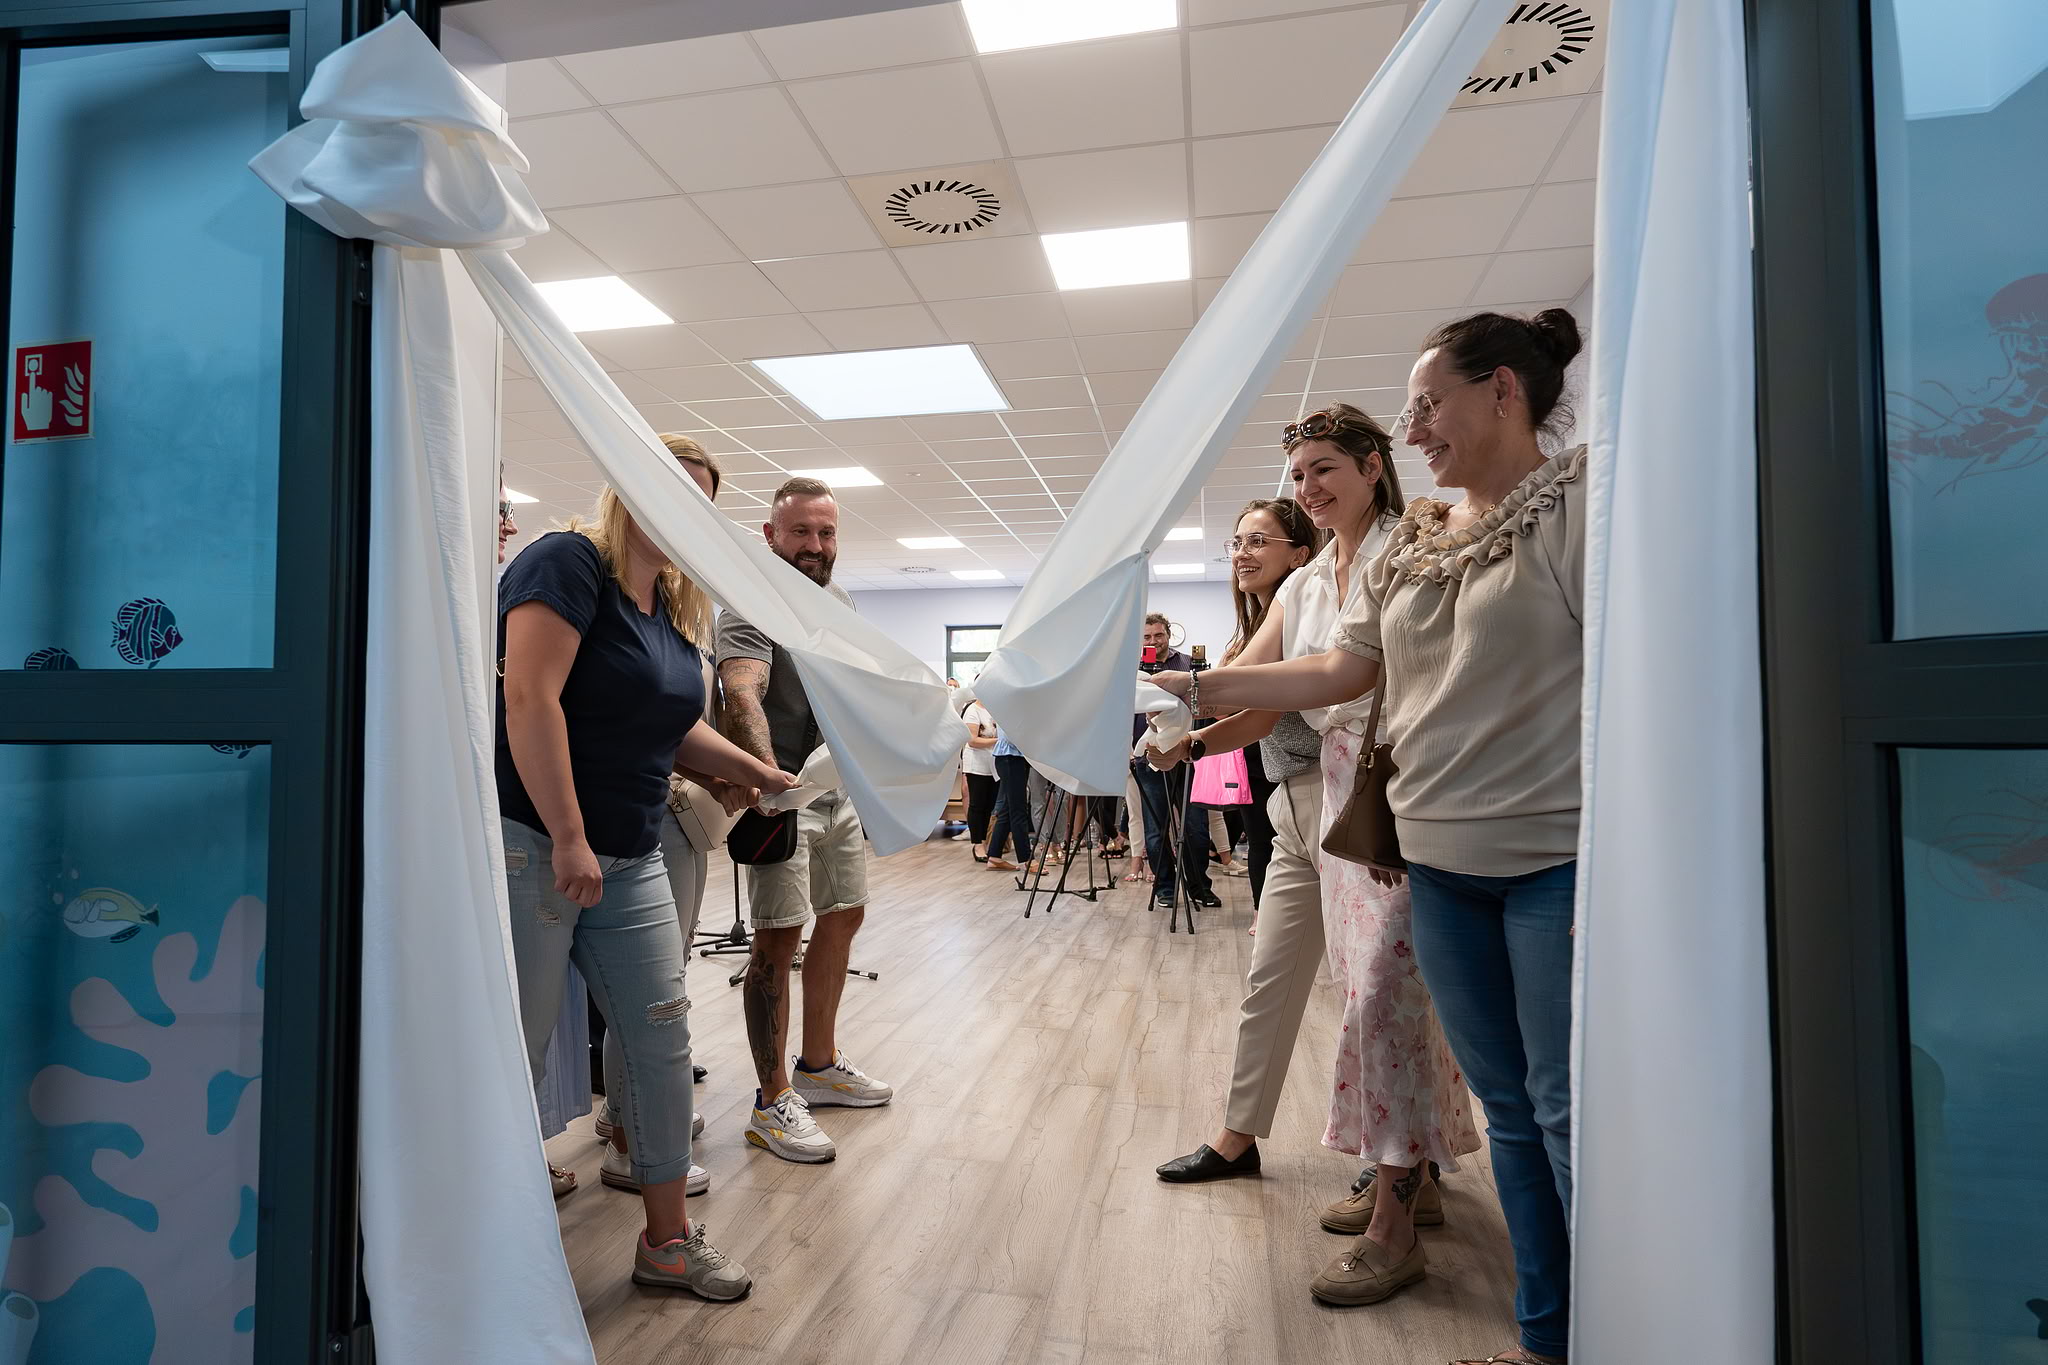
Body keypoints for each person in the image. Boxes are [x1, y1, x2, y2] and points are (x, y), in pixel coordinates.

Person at [1151, 311, 1587, 1365]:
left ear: (1502, 391)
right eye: (1295, 474)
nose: (1415, 425)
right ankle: (1543, 1333)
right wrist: (1188, 692)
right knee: (1509, 1107)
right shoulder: (1416, 545)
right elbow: (1334, 671)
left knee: (1558, 1104)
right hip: (1422, 845)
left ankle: (1596, 1315)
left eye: (1428, 404)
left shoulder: (1577, 508)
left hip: (1539, 850)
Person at [1153, 418, 1480, 1311]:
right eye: (1298, 474)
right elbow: (1258, 688)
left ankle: (1395, 1222)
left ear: (1374, 467)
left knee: (1383, 994)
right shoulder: (1304, 581)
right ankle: (1410, 1177)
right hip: (1339, 790)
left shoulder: (1409, 546)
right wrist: (1183, 722)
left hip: (1399, 782)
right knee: (1373, 992)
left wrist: (1190, 688)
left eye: (1324, 468)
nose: (1308, 487)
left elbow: (1338, 675)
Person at [498, 444, 795, 1301]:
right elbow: (530, 697)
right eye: (667, 489)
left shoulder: (667, 608)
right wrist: (567, 834)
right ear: (625, 487)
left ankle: (667, 1240)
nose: (679, 511)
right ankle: (489, 1236)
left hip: (631, 855)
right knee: (517, 1045)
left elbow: (670, 726)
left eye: (700, 502)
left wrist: (754, 769)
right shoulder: (567, 564)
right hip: (539, 846)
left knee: (662, 1040)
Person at [717, 477, 896, 1166]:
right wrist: (766, 773)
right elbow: (743, 688)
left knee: (845, 914)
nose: (815, 545)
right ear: (771, 535)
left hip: (831, 785)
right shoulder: (750, 601)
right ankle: (771, 1100)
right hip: (779, 792)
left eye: (826, 533)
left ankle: (818, 1065)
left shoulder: (838, 601)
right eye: (801, 532)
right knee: (777, 937)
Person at [1132, 614, 1218, 911]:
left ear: (1168, 635)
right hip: (1148, 756)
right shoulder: (1132, 671)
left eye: (1158, 635)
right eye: (1147, 637)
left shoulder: (1189, 666)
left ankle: (1199, 886)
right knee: (1156, 826)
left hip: (1187, 751)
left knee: (1196, 825)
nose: (1153, 641)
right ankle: (1165, 887)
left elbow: (1206, 704)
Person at [983, 723, 1033, 873]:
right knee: (1018, 809)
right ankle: (1026, 859)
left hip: (1013, 757)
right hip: (1010, 757)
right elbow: (1012, 736)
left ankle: (994, 856)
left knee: (1007, 808)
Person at [960, 695, 999, 862]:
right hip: (976, 764)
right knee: (977, 805)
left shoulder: (995, 710)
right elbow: (972, 740)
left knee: (989, 805)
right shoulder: (973, 710)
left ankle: (984, 841)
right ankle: (977, 843)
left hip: (993, 764)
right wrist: (999, 740)